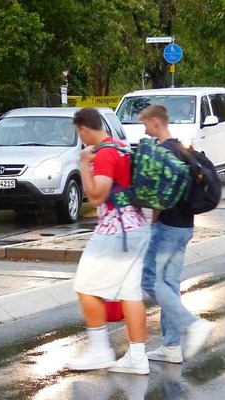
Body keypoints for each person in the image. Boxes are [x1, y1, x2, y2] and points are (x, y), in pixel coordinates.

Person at [67, 108, 151, 375]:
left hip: (115, 231)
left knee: (85, 285)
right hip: (137, 226)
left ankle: (99, 350)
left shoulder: (103, 154)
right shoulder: (122, 147)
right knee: (130, 293)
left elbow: (97, 195)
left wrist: (83, 165)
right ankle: (138, 356)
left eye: (79, 133)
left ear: (84, 129)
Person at [139, 105, 215, 364]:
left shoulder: (163, 153)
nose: (145, 129)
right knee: (169, 286)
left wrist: (153, 221)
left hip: (168, 227)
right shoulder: (182, 149)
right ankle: (171, 346)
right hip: (185, 226)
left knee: (150, 282)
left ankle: (192, 324)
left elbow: (161, 197)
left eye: (146, 124)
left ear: (156, 122)